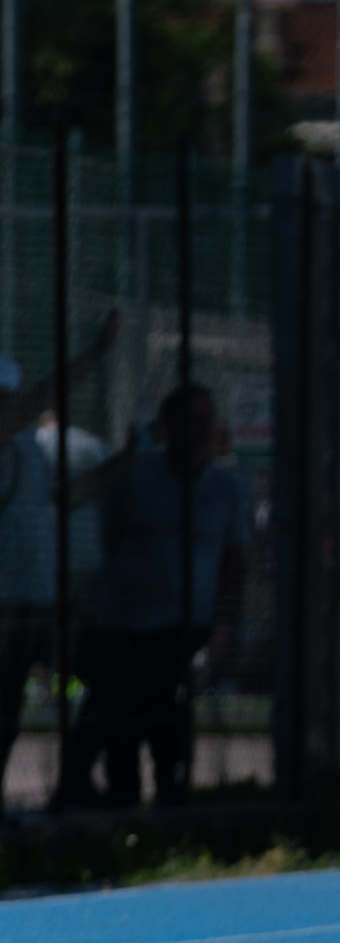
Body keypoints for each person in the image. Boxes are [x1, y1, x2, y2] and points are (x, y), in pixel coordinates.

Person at [61, 384, 250, 808]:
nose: (203, 430)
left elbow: (235, 562)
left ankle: (170, 795)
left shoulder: (227, 487)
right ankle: (115, 798)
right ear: (169, 426)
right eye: (193, 421)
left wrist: (224, 623)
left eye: (208, 421)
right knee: (118, 716)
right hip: (127, 623)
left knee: (168, 717)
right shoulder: (135, 477)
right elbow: (104, 533)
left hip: (187, 624)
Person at [0, 316, 121, 800]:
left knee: (15, 707)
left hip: (36, 599)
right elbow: (43, 397)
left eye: (10, 395)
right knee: (4, 708)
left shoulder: (28, 447)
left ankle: (73, 782)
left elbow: (63, 498)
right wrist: (94, 354)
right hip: (6, 600)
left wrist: (126, 461)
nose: (11, 404)